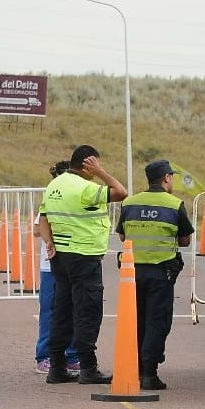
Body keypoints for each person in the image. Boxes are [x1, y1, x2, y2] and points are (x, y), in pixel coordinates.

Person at [39, 145, 127, 384]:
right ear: (88, 163)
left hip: (60, 256)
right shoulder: (86, 188)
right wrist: (101, 172)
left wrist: (49, 243)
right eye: (94, 164)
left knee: (62, 312)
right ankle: (88, 367)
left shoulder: (54, 185)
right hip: (84, 256)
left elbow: (43, 219)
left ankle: (56, 367)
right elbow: (121, 192)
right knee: (87, 312)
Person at [116, 159, 194, 390]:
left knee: (135, 321)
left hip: (132, 274)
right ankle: (149, 373)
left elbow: (122, 236)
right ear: (167, 178)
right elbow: (185, 240)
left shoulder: (130, 203)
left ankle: (136, 368)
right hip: (161, 272)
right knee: (157, 322)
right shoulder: (174, 204)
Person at [33, 160, 79, 375]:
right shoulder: (52, 198)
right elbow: (36, 228)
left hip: (74, 262)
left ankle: (71, 355)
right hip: (51, 266)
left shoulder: (79, 198)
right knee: (50, 312)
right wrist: (51, 237)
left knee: (74, 311)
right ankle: (45, 356)